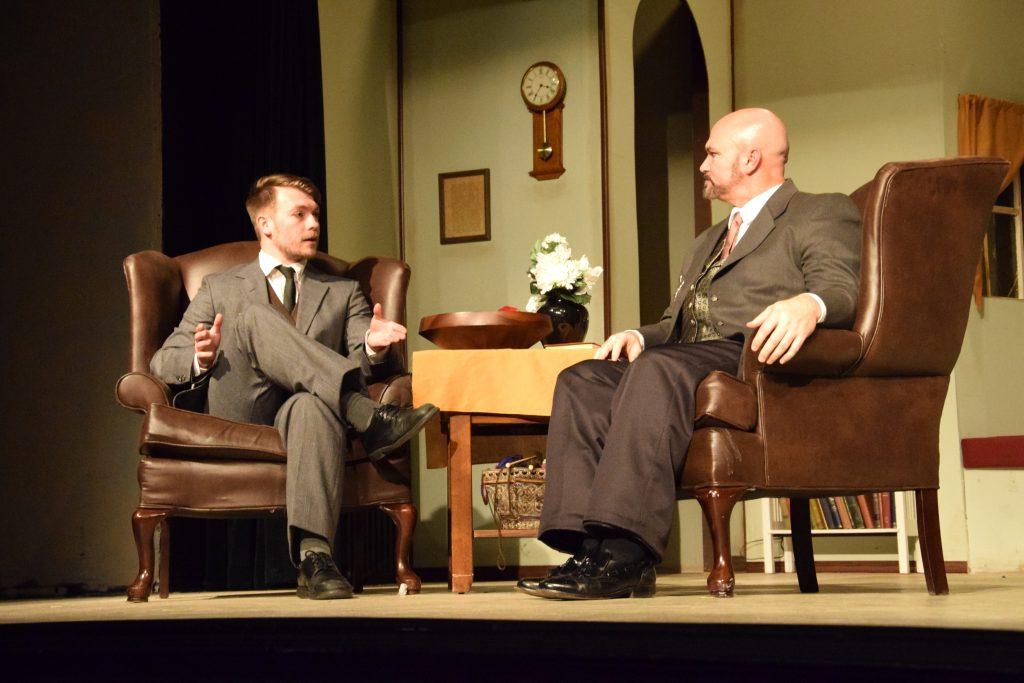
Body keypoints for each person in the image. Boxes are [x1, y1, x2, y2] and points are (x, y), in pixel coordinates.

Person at [518, 108, 861, 600]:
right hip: (683, 360)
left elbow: (841, 289)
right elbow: (673, 324)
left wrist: (809, 304)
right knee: (583, 378)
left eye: (712, 153)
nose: (702, 164)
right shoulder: (707, 240)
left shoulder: (818, 211)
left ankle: (627, 556)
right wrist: (641, 335)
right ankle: (588, 547)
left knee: (659, 370)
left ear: (749, 158)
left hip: (750, 359)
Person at [150, 173, 437, 600]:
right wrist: (200, 357)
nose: (314, 225)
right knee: (250, 317)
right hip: (241, 406)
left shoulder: (342, 292)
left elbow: (362, 362)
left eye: (316, 215)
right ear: (265, 224)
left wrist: (374, 348)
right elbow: (161, 362)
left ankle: (315, 558)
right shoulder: (221, 287)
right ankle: (366, 417)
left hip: (308, 412)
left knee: (311, 405)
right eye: (299, 214)